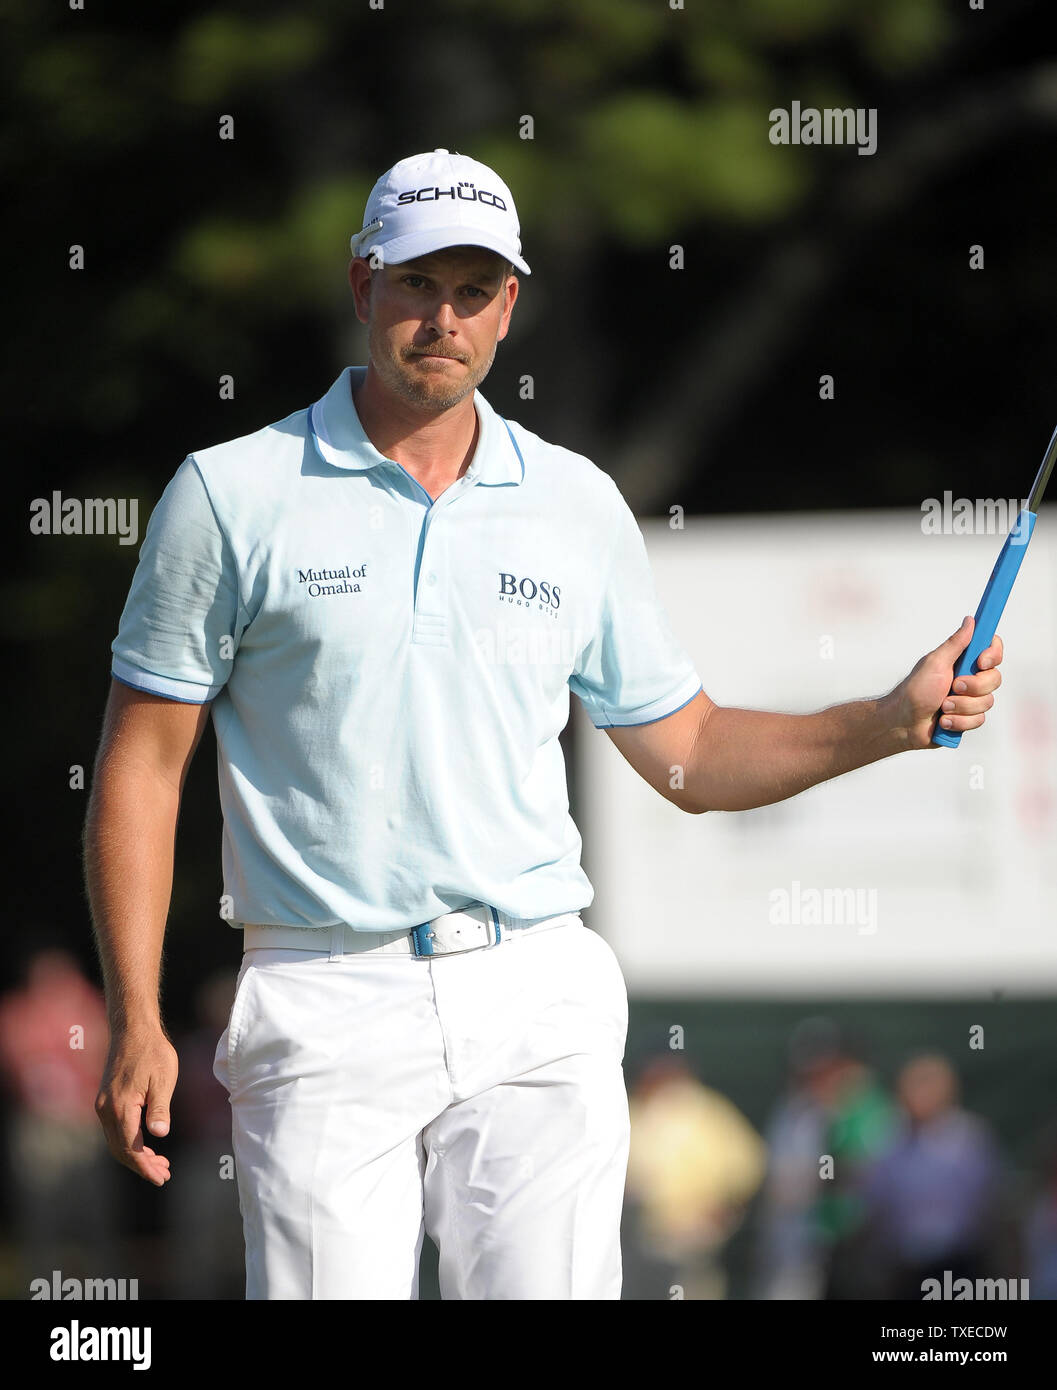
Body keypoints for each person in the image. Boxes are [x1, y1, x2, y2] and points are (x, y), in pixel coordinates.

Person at [85, 148, 1005, 1301]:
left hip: (534, 990)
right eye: (418, 283)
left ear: (508, 307)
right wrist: (135, 1015)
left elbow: (689, 750)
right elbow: (142, 767)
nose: (443, 316)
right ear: (364, 283)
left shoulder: (575, 503)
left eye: (474, 290)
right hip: (321, 995)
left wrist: (887, 720)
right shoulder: (228, 494)